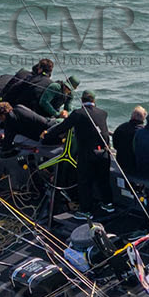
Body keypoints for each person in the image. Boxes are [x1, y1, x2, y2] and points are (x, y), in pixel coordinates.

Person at [64, 89, 113, 218]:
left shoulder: (78, 113)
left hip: (87, 155)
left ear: (82, 101)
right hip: (103, 153)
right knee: (103, 180)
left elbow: (63, 127)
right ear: (94, 101)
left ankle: (86, 211)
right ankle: (108, 204)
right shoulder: (103, 113)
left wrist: (47, 136)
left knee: (85, 182)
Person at [112, 106, 146, 179]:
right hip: (136, 166)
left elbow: (115, 145)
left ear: (132, 116)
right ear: (143, 118)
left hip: (121, 162)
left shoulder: (121, 127)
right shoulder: (144, 132)